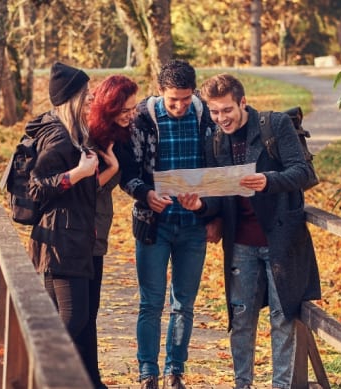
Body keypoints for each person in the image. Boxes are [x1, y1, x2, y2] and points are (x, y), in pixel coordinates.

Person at [177, 73, 321, 389]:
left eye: (226, 110)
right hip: (240, 243)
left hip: (281, 239)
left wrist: (269, 181)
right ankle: (243, 383)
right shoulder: (213, 140)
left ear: (243, 102)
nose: (221, 118)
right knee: (240, 320)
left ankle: (280, 385)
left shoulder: (275, 125)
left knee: (282, 318)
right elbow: (217, 196)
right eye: (214, 112)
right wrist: (199, 207)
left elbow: (303, 171)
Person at [116, 60, 218, 389]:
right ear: (160, 91)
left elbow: (218, 169)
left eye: (186, 99)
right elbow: (126, 172)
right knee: (151, 302)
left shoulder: (204, 117)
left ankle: (175, 371)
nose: (179, 106)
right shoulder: (141, 119)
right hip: (154, 225)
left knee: (183, 304)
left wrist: (209, 212)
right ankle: (148, 373)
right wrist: (146, 195)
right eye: (173, 99)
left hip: (192, 226)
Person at [26, 61, 100, 383]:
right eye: (86, 95)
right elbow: (35, 188)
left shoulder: (69, 133)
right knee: (73, 320)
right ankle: (36, 375)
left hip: (68, 239)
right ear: (72, 98)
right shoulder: (58, 137)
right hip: (61, 242)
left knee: (63, 321)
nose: (91, 100)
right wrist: (78, 174)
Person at [81, 75, 139, 389]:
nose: (132, 113)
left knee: (91, 311)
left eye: (133, 107)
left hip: (98, 233)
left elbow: (135, 175)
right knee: (79, 313)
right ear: (110, 106)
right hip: (79, 233)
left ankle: (92, 379)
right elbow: (81, 190)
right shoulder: (88, 137)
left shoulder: (120, 134)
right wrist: (112, 169)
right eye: (126, 108)